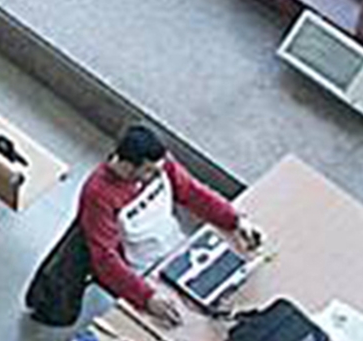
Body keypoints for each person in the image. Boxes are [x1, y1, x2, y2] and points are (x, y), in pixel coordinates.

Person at [78, 121, 258, 320]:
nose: (159, 175)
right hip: (145, 271)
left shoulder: (159, 164)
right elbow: (104, 258)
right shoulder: (98, 194)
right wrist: (147, 297)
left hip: (181, 249)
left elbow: (192, 192)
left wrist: (235, 220)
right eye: (150, 171)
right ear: (127, 166)